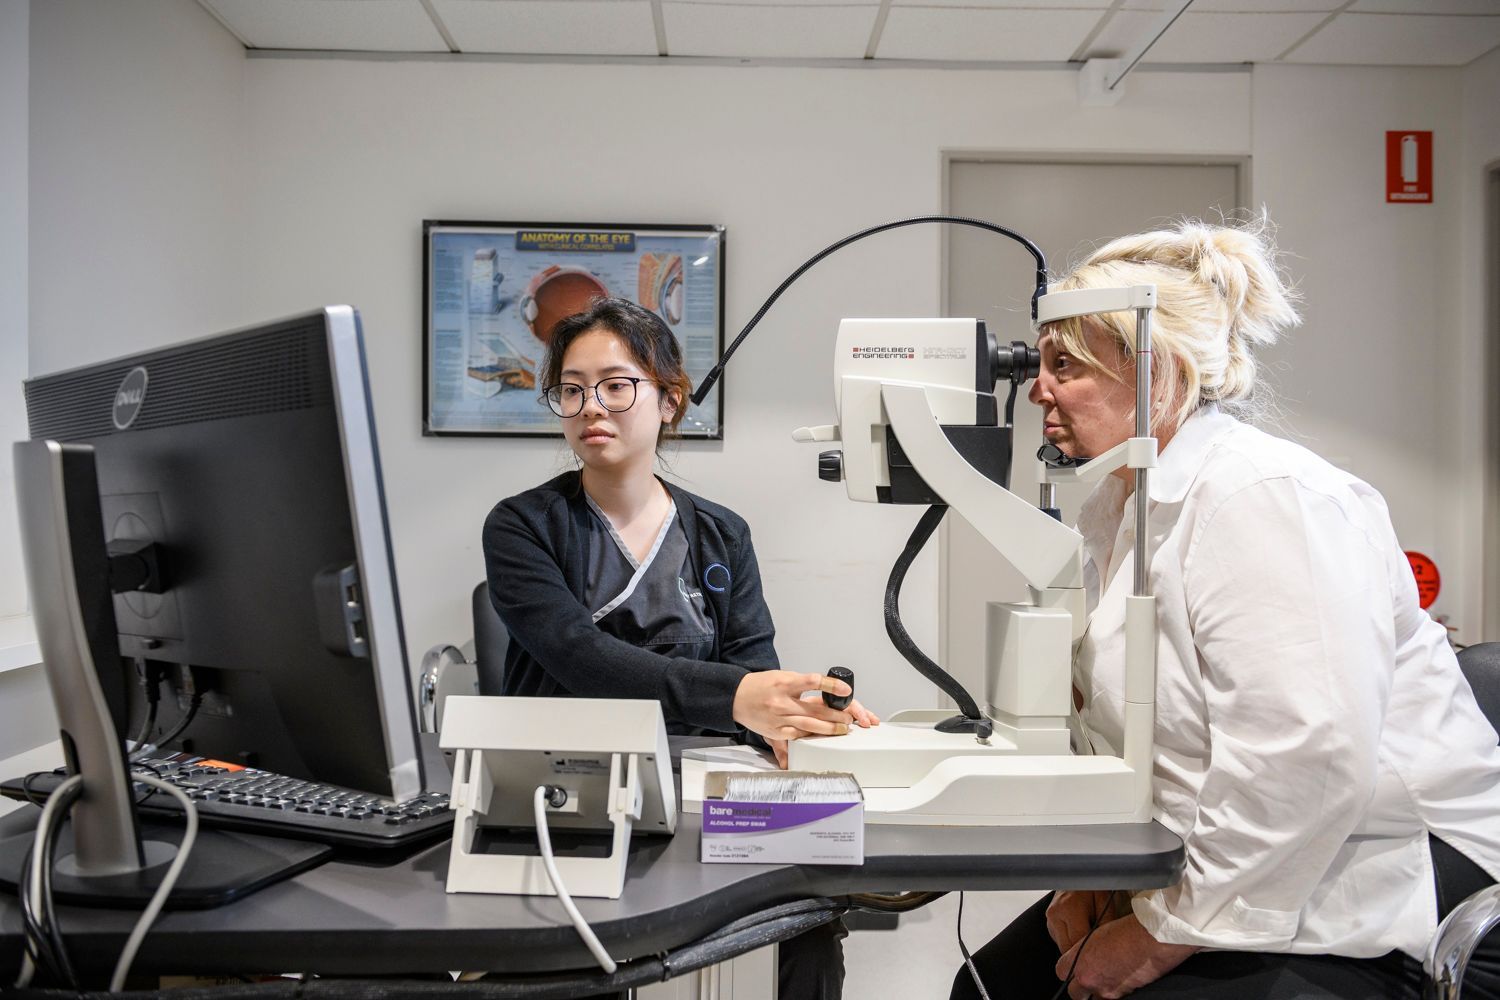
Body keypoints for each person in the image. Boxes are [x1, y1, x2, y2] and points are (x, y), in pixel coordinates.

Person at [951, 218, 1500, 1000]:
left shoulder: (1264, 499)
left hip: (1379, 887)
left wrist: (1158, 935)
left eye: (1063, 364)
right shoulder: (1119, 507)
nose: (1037, 386)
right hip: (1231, 862)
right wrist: (1095, 877)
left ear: (1155, 369)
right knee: (986, 987)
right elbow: (1137, 737)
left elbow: (1306, 759)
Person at [483, 297, 876, 1000]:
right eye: (571, 389)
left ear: (668, 400)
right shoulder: (522, 526)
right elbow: (578, 656)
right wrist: (738, 697)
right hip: (570, 795)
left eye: (615, 384)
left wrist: (798, 715)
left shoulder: (723, 534)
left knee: (809, 919)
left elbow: (754, 668)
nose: (590, 405)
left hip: (703, 797)